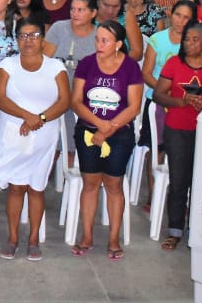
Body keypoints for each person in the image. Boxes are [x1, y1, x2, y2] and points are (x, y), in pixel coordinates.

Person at [0, 18, 70, 261]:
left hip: (44, 134)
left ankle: (33, 238)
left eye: (33, 35)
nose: (28, 41)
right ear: (16, 39)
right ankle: (13, 237)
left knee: (36, 187)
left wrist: (40, 118)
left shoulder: (56, 67)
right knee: (16, 187)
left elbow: (64, 101)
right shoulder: (7, 65)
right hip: (15, 133)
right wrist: (27, 116)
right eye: (23, 36)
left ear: (42, 38)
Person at [153, 23, 202, 252]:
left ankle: (197, 232)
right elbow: (159, 94)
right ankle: (175, 231)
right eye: (187, 39)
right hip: (177, 128)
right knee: (179, 181)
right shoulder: (174, 64)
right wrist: (182, 101)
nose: (189, 43)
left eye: (195, 39)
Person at [69, 20, 143, 260]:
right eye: (97, 39)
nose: (99, 44)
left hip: (119, 133)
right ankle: (87, 234)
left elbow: (134, 107)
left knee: (114, 185)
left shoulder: (131, 67)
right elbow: (76, 101)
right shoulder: (87, 64)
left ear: (119, 44)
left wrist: (109, 128)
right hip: (89, 131)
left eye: (105, 40)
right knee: (89, 184)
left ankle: (113, 237)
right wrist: (99, 125)